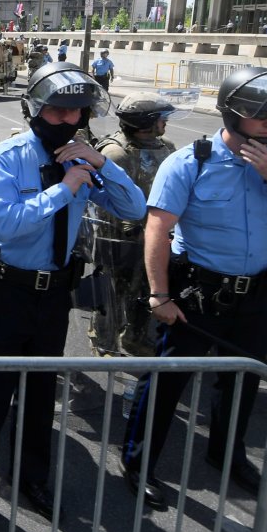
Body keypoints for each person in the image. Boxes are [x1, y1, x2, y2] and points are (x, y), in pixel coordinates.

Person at [120, 67, 267, 510]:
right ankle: (139, 464)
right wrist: (160, 295)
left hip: (253, 297)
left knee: (242, 385)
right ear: (233, 113)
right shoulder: (190, 162)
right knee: (166, 384)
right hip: (199, 295)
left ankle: (227, 454)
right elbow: (157, 230)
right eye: (260, 115)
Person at [0, 62, 145, 532]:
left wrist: (101, 165)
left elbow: (134, 208)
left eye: (78, 113)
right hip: (11, 289)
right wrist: (65, 189)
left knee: (41, 394)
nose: (69, 121)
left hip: (55, 293)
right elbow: (9, 227)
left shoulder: (84, 157)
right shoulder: (5, 157)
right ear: (36, 110)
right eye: (58, 112)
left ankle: (33, 479)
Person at [90, 93, 180, 357]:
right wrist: (134, 228)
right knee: (112, 294)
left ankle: (133, 337)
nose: (165, 123)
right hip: (117, 236)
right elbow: (106, 199)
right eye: (161, 118)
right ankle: (103, 342)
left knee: (145, 289)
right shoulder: (115, 153)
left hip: (153, 234)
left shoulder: (165, 147)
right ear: (146, 122)